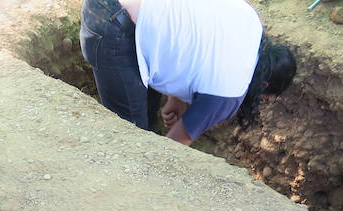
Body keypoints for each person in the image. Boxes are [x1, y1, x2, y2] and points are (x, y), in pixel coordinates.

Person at [80, 0, 297, 145]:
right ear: (265, 85)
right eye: (262, 97)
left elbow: (190, 37)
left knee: (143, 131)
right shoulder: (231, 91)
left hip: (122, 12)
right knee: (129, 138)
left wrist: (176, 98)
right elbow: (176, 142)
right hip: (113, 26)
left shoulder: (250, 21)